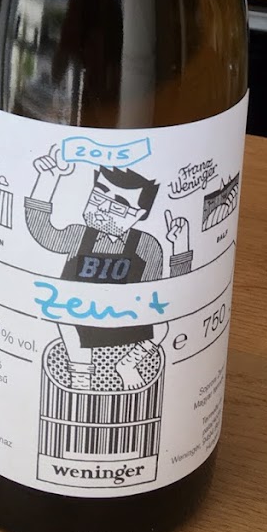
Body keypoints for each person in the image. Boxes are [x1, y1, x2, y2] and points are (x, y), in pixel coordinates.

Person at [25, 147, 191, 389]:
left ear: (138, 215)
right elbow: (42, 232)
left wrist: (181, 245)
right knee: (67, 325)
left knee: (161, 326)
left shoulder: (146, 245)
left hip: (126, 315)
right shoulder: (78, 235)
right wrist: (47, 181)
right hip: (79, 312)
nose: (103, 209)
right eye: (98, 198)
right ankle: (81, 377)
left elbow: (166, 291)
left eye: (118, 207)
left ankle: (128, 364)